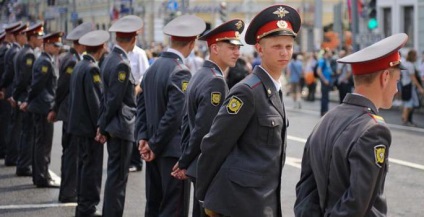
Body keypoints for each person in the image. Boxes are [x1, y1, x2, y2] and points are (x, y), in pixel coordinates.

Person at [196, 4, 300, 217]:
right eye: (277, 46)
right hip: (240, 204)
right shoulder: (247, 91)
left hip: (263, 201)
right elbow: (214, 143)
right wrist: (205, 197)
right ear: (260, 49)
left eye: (288, 46)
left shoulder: (273, 89)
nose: (284, 52)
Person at [294, 33, 408, 216]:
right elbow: (356, 204)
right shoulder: (374, 130)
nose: (396, 89)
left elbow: (306, 191)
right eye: (396, 81)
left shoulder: (326, 119)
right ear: (385, 77)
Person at [171, 18, 244, 217]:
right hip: (208, 165)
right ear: (215, 48)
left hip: (197, 162)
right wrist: (185, 161)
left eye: (238, 47)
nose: (237, 52)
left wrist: (185, 158)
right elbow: (205, 130)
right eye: (231, 47)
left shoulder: (200, 74)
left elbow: (188, 123)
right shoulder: (216, 82)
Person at [136, 14, 205, 217]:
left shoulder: (152, 68)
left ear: (170, 40)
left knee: (154, 205)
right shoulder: (180, 71)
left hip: (152, 149)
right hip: (171, 153)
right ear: (192, 44)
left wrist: (143, 138)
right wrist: (154, 145)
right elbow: (174, 116)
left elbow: (141, 106)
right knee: (173, 209)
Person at [96, 15, 142, 217]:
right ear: (133, 39)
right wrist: (103, 126)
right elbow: (114, 99)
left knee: (115, 177)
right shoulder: (122, 63)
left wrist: (102, 125)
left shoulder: (109, 58)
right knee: (118, 179)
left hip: (114, 125)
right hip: (121, 125)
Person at [49, 22, 93, 203]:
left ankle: (69, 190)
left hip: (69, 111)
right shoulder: (73, 61)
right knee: (71, 155)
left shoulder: (71, 58)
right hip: (70, 112)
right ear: (81, 43)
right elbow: (62, 87)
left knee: (70, 153)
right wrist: (55, 108)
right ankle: (68, 192)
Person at [68, 29, 110, 217]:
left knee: (84, 167)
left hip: (78, 126)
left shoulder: (79, 65)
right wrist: (100, 126)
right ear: (101, 48)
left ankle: (82, 205)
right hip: (89, 128)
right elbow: (95, 102)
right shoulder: (92, 68)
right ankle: (88, 207)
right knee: (91, 170)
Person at [20, 32, 64, 188]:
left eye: (58, 45)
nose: (58, 48)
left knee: (41, 143)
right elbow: (37, 85)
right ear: (46, 45)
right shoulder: (44, 62)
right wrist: (28, 101)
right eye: (55, 45)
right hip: (42, 107)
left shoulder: (47, 60)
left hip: (41, 105)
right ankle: (41, 176)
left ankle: (39, 175)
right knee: (43, 144)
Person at [11, 22, 44, 177]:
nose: (41, 39)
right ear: (32, 38)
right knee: (29, 133)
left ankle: (23, 163)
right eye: (39, 36)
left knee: (25, 132)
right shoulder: (29, 55)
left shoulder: (21, 52)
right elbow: (25, 79)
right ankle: (24, 165)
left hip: (22, 96)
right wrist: (19, 97)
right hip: (26, 98)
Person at [0, 23, 27, 166]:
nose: (26, 37)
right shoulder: (15, 51)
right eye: (24, 35)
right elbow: (11, 74)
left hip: (10, 89)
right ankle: (11, 155)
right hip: (12, 90)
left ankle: (10, 154)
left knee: (12, 124)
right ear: (18, 36)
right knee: (15, 125)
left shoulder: (13, 50)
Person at [127, 43, 149, 172]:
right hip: (127, 93)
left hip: (137, 92)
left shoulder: (139, 54)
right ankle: (130, 159)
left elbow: (145, 76)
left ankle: (136, 161)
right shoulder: (125, 54)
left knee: (135, 127)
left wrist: (135, 92)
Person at [400, 49, 423, 126]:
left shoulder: (404, 63)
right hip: (409, 86)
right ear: (412, 56)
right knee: (409, 104)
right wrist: (420, 87)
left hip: (404, 84)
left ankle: (405, 118)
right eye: (415, 55)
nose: (416, 57)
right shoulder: (410, 65)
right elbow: (413, 78)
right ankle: (406, 120)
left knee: (407, 103)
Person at [316, 48, 334, 116]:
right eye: (329, 52)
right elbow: (319, 71)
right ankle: (323, 112)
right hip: (325, 82)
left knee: (326, 97)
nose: (331, 53)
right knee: (324, 97)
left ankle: (325, 111)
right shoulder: (322, 60)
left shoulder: (327, 60)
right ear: (326, 53)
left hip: (327, 81)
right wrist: (324, 80)